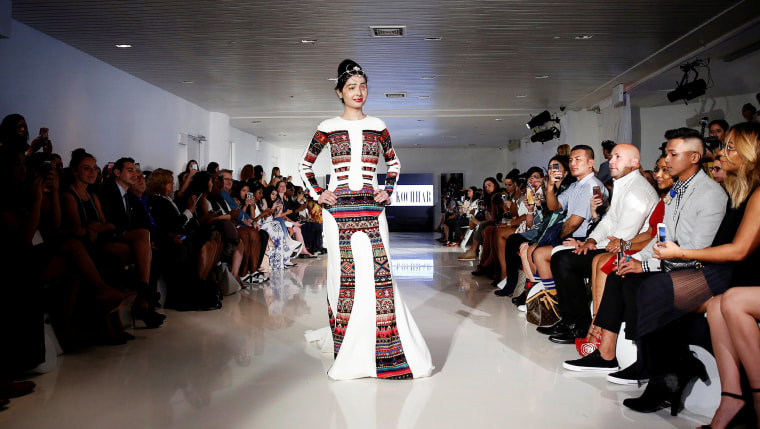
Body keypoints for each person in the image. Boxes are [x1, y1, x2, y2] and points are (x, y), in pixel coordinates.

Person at [298, 59, 433, 380]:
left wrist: (387, 189)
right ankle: (347, 350)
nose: (359, 92)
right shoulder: (327, 127)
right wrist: (319, 192)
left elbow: (394, 162)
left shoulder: (378, 124)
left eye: (362, 86)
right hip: (337, 210)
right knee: (342, 279)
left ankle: (386, 351)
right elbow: (304, 165)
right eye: (351, 87)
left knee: (379, 277)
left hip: (373, 209)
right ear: (339, 92)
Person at [653, 122, 760, 427]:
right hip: (733, 278)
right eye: (722, 146)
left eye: (729, 147)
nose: (720, 153)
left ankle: (754, 397)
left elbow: (738, 251)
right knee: (714, 304)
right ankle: (732, 398)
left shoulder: (751, 193)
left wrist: (681, 255)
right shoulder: (739, 192)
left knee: (728, 300)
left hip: (739, 281)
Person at [544, 144, 658, 344]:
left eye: (618, 157)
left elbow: (623, 235)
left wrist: (593, 245)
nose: (611, 161)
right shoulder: (625, 184)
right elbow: (609, 221)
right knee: (561, 257)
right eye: (611, 157)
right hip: (613, 243)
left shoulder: (637, 191)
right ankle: (571, 320)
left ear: (634, 163)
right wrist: (591, 240)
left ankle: (578, 325)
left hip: (631, 249)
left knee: (564, 260)